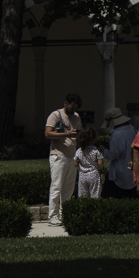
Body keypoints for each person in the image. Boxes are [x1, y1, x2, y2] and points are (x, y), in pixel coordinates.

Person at [43, 92, 83, 224]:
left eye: (76, 108)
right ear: (65, 103)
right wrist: (67, 134)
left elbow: (78, 135)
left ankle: (65, 213)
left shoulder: (76, 117)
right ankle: (53, 215)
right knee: (57, 186)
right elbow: (48, 134)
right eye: (72, 107)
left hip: (72, 156)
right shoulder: (56, 115)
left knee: (69, 187)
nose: (74, 110)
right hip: (58, 155)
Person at [103, 107, 139, 199]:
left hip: (119, 173)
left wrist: (103, 150)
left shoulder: (116, 134)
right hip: (132, 171)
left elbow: (113, 154)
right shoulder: (133, 130)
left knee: (109, 197)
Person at [74, 127, 107, 198]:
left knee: (83, 197)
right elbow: (100, 164)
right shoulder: (97, 150)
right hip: (94, 175)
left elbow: (75, 164)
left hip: (82, 176)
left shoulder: (79, 150)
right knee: (95, 196)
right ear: (94, 139)